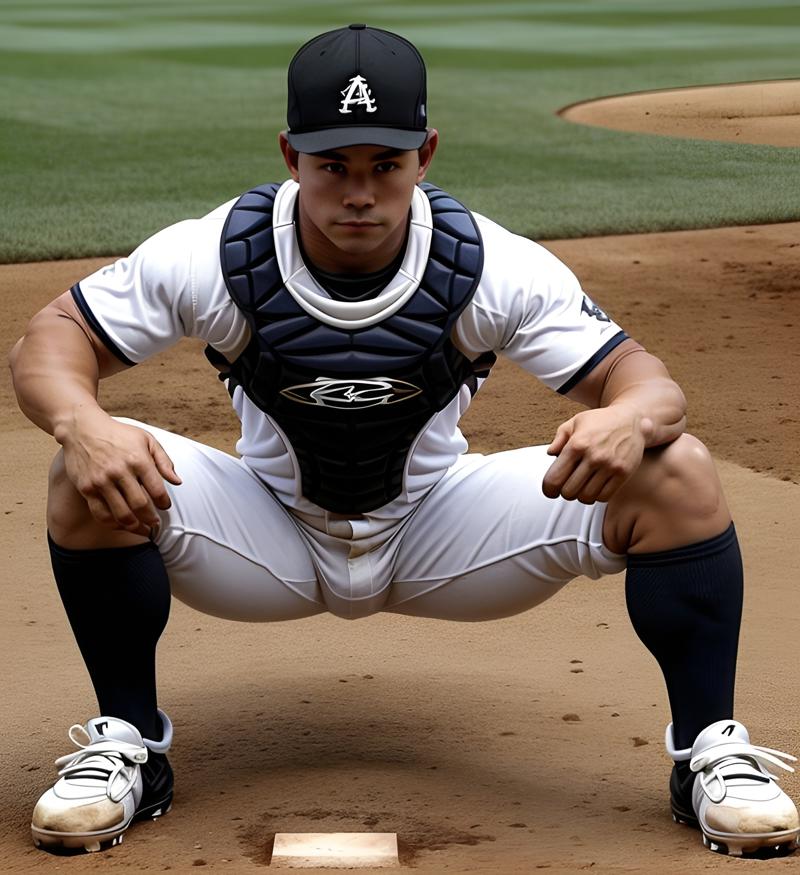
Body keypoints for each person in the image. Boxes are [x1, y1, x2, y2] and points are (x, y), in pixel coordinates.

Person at [9, 23, 799, 860]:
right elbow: (51, 339)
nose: (360, 192)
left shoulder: (490, 262)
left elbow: (651, 382)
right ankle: (128, 743)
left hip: (439, 530)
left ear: (425, 154)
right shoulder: (216, 253)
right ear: (290, 155)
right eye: (333, 166)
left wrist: (628, 415)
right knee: (86, 465)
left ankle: (710, 747)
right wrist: (84, 423)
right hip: (264, 532)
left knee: (673, 465)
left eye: (384, 165)